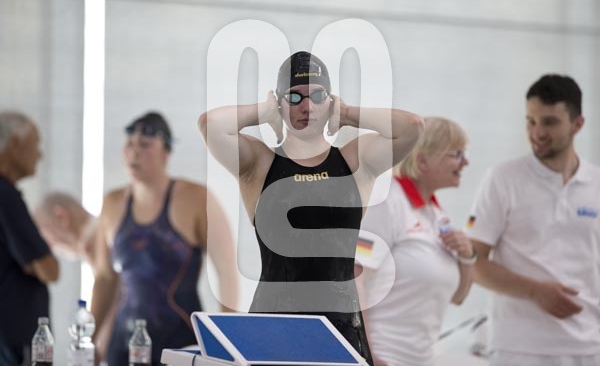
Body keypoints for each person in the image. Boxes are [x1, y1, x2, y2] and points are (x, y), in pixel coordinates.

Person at [199, 51, 424, 365]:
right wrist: (264, 111)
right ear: (280, 103)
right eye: (294, 97)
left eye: (318, 96)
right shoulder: (259, 164)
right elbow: (210, 124)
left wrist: (348, 114)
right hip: (273, 329)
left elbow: (412, 127)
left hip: (341, 330)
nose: (307, 107)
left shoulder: (355, 161)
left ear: (329, 101)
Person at [468, 74, 600, 366]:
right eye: (531, 121)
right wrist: (535, 290)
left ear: (578, 124)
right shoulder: (502, 179)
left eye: (550, 122)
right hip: (519, 348)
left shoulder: (596, 184)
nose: (538, 132)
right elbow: (473, 264)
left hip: (589, 348)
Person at [91, 111, 238, 366]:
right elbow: (104, 278)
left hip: (180, 344)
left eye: (145, 145)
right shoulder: (112, 204)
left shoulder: (195, 199)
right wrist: (91, 339)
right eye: (129, 144)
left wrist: (225, 342)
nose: (134, 152)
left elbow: (226, 272)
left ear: (166, 152)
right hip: (122, 347)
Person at [355, 117, 475, 366]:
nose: (466, 162)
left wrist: (467, 257)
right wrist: (365, 352)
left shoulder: (436, 214)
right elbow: (354, 277)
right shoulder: (387, 200)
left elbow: (457, 297)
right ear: (422, 161)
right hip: (382, 356)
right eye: (457, 154)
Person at [0, 111, 59, 366]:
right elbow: (49, 269)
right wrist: (36, 262)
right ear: (15, 144)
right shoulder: (6, 196)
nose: (40, 155)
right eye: (35, 144)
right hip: (16, 340)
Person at [34, 192, 117, 361]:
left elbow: (113, 295)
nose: (51, 247)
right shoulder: (95, 248)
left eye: (45, 237)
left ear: (62, 217)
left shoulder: (103, 242)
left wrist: (91, 342)